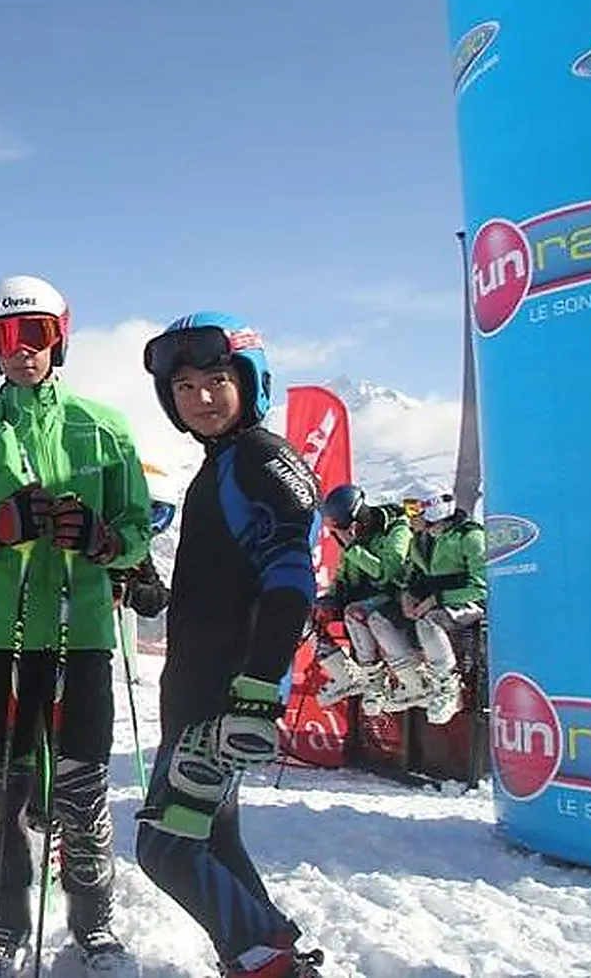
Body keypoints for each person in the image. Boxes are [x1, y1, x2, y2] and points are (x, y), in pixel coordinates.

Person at [0, 275, 151, 974]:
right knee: (5, 788)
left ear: (60, 337)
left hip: (80, 632)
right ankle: (4, 925)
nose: (22, 348)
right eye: (5, 336)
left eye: (37, 333)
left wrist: (104, 539)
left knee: (83, 788)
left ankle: (94, 925)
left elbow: (138, 529)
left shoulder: (105, 427)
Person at [134, 311, 324, 978]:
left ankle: (268, 964)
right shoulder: (225, 464)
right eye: (183, 387)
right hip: (204, 689)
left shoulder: (258, 461)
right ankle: (268, 959)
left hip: (225, 694)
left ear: (251, 381)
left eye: (216, 380)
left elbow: (291, 580)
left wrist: (255, 688)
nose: (202, 398)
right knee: (213, 838)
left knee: (166, 847)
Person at [368, 493, 487, 725]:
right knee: (379, 619)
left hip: (468, 603)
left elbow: (481, 588)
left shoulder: (470, 536)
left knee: (429, 621)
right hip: (433, 601)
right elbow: (413, 576)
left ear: (434, 511)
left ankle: (449, 688)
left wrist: (435, 600)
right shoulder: (420, 539)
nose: (410, 517)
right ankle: (414, 683)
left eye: (415, 510)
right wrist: (407, 595)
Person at [311, 483, 413, 712]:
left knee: (355, 613)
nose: (343, 532)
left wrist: (352, 546)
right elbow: (343, 575)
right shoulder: (352, 538)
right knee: (306, 615)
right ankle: (344, 674)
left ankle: (373, 680)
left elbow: (387, 572)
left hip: (390, 596)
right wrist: (331, 598)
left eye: (345, 526)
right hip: (360, 597)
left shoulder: (397, 529)